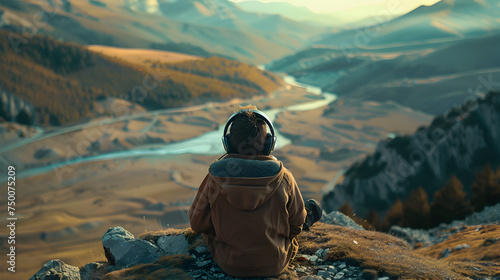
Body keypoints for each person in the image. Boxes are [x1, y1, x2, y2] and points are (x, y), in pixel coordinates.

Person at [188, 105, 322, 278]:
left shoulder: (214, 178)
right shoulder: (284, 177)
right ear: (268, 144)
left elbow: (197, 224)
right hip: (275, 264)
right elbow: (295, 227)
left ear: (227, 143)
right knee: (308, 210)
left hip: (229, 264)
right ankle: (312, 211)